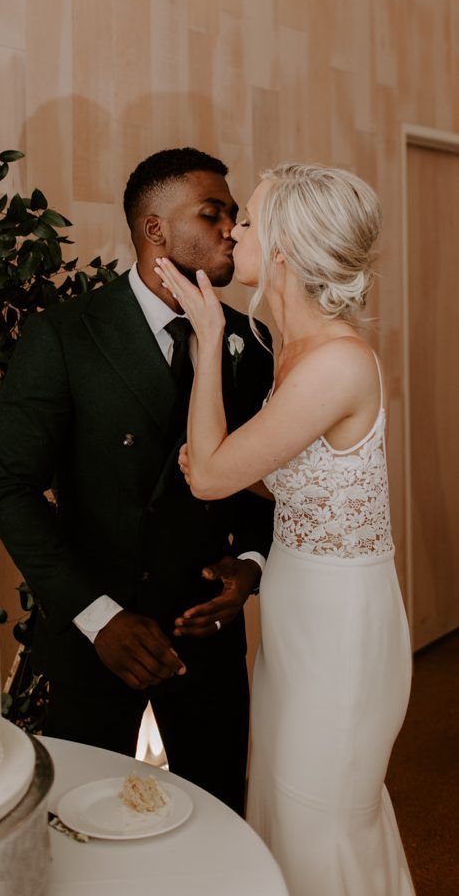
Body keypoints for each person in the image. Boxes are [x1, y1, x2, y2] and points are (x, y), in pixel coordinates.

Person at [0, 147, 274, 813]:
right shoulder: (64, 335)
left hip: (207, 640)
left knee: (217, 811)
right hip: (99, 638)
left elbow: (268, 482)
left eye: (234, 215)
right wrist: (98, 616)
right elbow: (11, 488)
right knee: (88, 823)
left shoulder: (250, 343)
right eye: (214, 212)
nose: (232, 228)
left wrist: (251, 567)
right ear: (155, 231)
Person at [155, 162, 415, 895]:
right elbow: (282, 477)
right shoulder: (288, 348)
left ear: (282, 251)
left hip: (343, 627)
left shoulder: (337, 361)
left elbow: (208, 476)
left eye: (247, 220)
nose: (231, 229)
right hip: (296, 610)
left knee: (322, 822)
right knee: (280, 800)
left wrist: (208, 341)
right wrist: (236, 458)